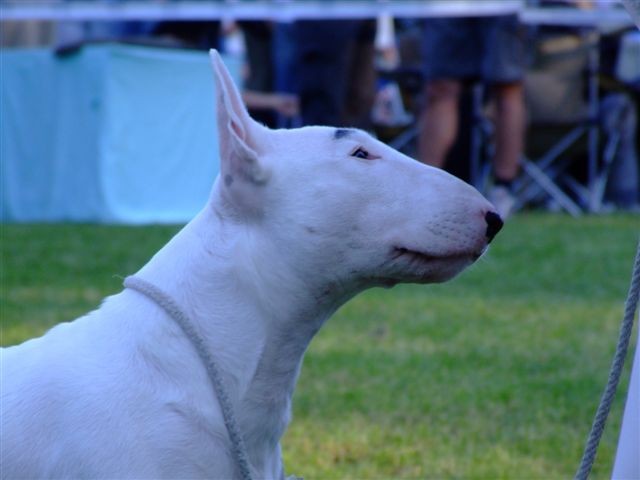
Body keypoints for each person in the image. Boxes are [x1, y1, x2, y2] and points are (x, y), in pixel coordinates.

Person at [418, 14, 528, 217]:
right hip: (449, 8)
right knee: (439, 87)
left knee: (507, 86)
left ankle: (504, 188)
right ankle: (424, 188)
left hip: (502, 9)